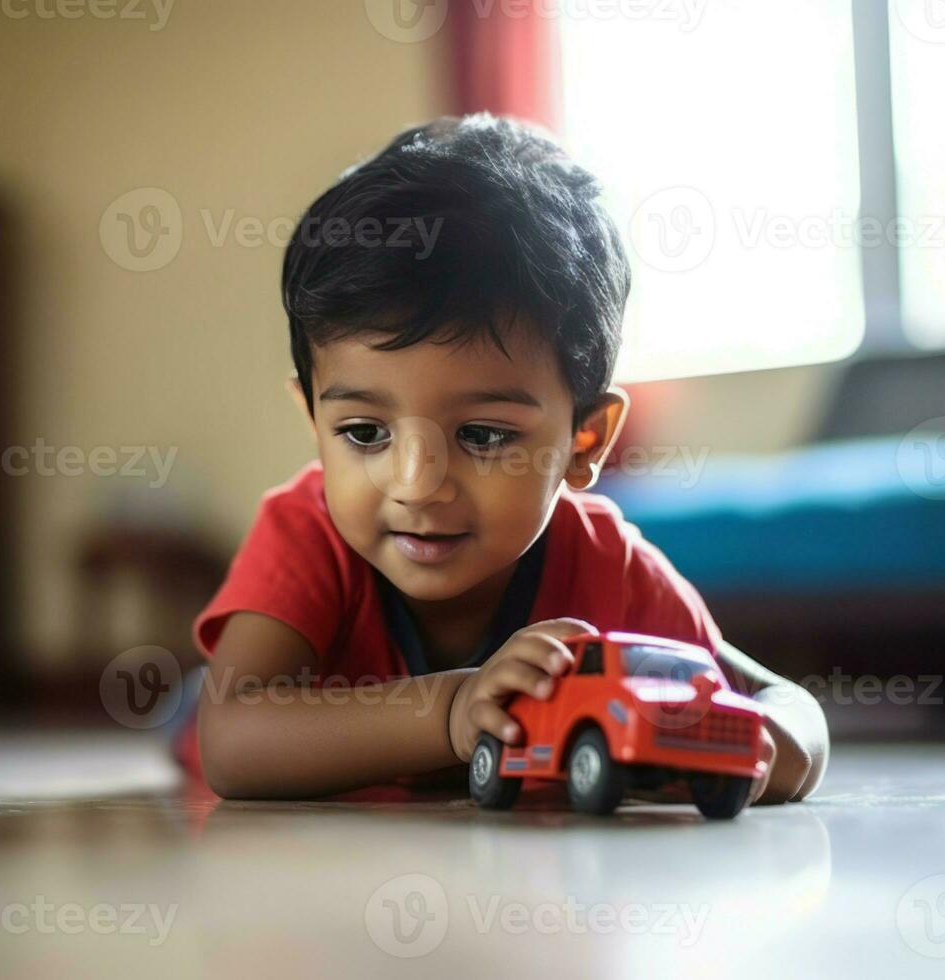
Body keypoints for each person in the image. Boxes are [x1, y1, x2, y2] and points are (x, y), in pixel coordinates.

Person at [178, 114, 828, 804]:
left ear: (585, 442)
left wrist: (758, 756)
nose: (416, 484)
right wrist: (454, 710)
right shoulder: (306, 532)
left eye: (483, 436)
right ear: (314, 419)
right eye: (366, 432)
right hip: (221, 716)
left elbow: (779, 705)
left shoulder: (612, 570)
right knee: (189, 713)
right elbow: (232, 741)